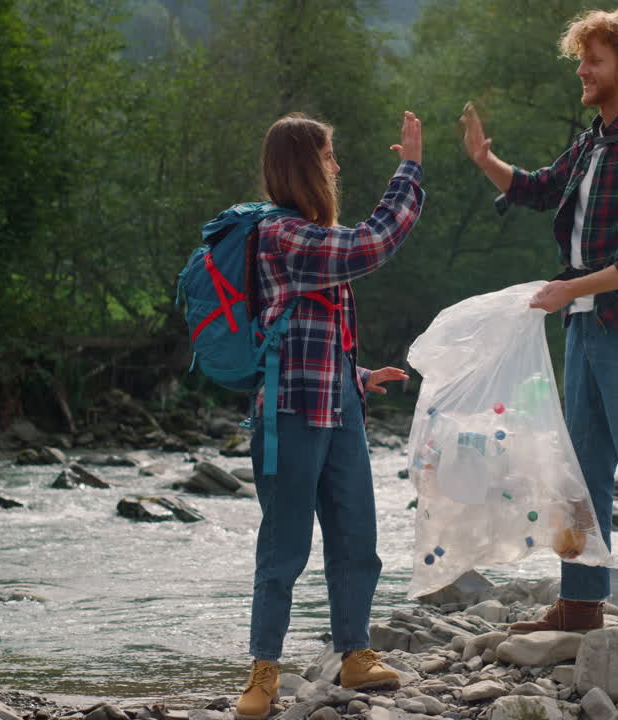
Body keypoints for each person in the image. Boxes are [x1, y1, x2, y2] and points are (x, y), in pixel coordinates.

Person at [459, 7, 618, 640]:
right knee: (580, 476)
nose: (583, 71)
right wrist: (486, 158)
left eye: (593, 60)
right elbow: (538, 188)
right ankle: (582, 605)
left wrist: (570, 289)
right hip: (586, 328)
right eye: (581, 59)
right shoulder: (593, 140)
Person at [235, 110, 425, 720]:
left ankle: (355, 654)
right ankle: (264, 669)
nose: (336, 168)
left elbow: (311, 327)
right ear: (303, 165)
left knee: (356, 537)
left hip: (338, 399)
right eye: (328, 157)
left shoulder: (308, 237)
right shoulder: (282, 234)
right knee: (284, 547)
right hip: (290, 409)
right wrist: (409, 172)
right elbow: (372, 244)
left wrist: (361, 374)